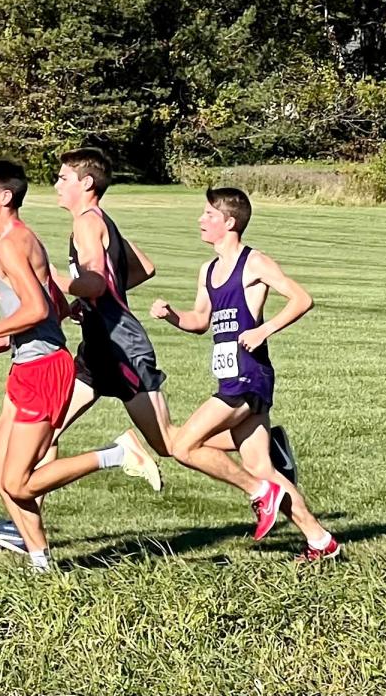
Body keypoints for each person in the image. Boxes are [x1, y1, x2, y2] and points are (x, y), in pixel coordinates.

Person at [0, 148, 294, 552]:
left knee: (170, 445)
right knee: (47, 429)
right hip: (98, 345)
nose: (57, 185)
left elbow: (96, 283)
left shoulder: (88, 224)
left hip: (121, 346)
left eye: (64, 178)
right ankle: (25, 520)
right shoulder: (99, 222)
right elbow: (143, 267)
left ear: (86, 183)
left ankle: (262, 468)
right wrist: (83, 305)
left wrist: (48, 279)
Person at [0, 159, 161, 571]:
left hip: (43, 370)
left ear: (4, 198)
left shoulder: (11, 244)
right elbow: (51, 303)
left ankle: (116, 454)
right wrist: (9, 338)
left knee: (18, 480)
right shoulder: (23, 238)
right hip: (28, 361)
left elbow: (35, 307)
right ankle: (40, 562)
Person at [150, 187, 341, 561]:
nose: (200, 221)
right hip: (230, 375)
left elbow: (302, 298)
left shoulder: (254, 263)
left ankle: (257, 492)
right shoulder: (207, 270)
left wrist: (263, 330)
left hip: (249, 374)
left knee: (182, 446)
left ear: (229, 222)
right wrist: (173, 316)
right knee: (262, 467)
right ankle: (321, 541)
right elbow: (201, 321)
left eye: (208, 215)